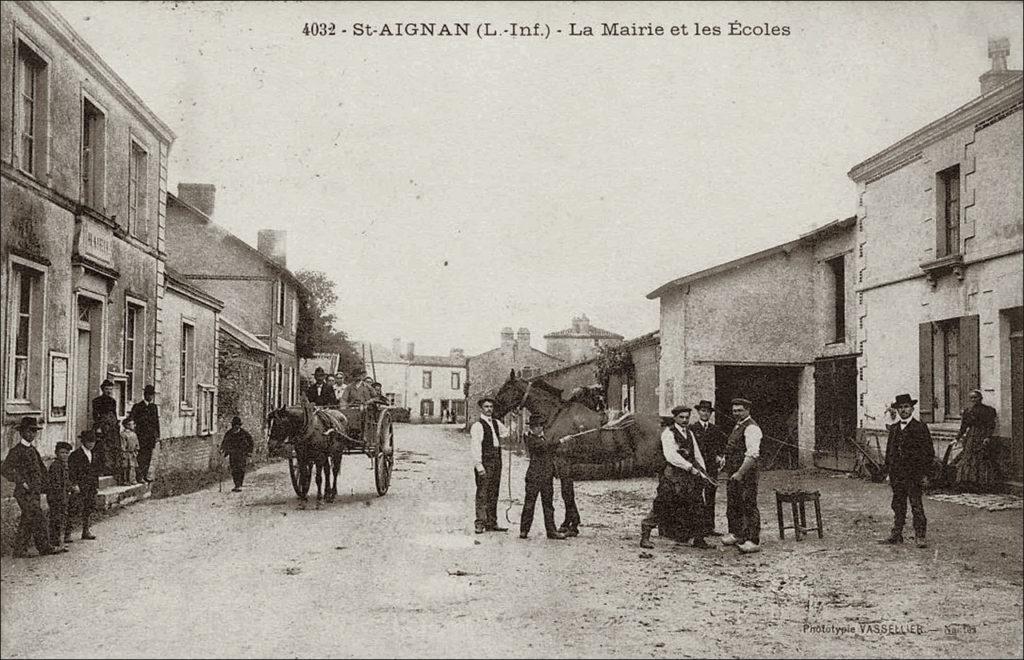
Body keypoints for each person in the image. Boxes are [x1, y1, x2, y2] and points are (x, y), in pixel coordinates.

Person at [640, 406, 713, 550]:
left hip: (689, 477)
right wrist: (689, 467)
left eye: (687, 417)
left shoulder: (690, 433)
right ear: (675, 418)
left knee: (697, 505)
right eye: (681, 417)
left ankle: (699, 539)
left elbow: (696, 455)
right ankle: (645, 537)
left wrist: (703, 473)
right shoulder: (668, 433)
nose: (685, 420)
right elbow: (671, 456)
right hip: (673, 476)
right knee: (662, 505)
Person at [879, 393, 934, 549]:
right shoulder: (895, 428)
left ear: (912, 409)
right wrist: (888, 471)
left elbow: (928, 453)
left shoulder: (920, 427)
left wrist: (924, 474)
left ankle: (920, 536)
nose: (903, 410)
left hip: (913, 475)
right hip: (897, 475)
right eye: (900, 407)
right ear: (897, 410)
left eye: (906, 407)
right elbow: (890, 451)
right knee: (898, 504)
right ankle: (896, 534)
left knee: (916, 505)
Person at [1, 416, 56, 557]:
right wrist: (21, 481)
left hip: (34, 492)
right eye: (29, 431)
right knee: (38, 517)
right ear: (22, 432)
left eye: (34, 431)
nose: (32, 434)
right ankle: (44, 548)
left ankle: (20, 550)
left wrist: (47, 485)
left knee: (28, 519)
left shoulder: (33, 450)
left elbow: (41, 470)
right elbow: (5, 469)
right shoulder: (16, 450)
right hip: (24, 492)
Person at [720, 398, 763, 554]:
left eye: (739, 410)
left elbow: (752, 454)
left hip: (746, 473)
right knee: (734, 503)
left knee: (748, 503)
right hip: (733, 472)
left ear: (747, 410)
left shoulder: (752, 428)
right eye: (734, 410)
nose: (736, 413)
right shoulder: (737, 426)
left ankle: (753, 540)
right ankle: (737, 534)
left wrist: (740, 473)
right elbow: (732, 448)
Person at [520, 414, 568, 540]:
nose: (538, 428)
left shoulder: (543, 438)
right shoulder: (530, 438)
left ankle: (551, 531)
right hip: (534, 477)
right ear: (531, 428)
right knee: (529, 504)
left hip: (546, 477)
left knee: (548, 505)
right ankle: (524, 530)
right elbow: (544, 447)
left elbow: (549, 449)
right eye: (535, 426)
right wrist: (561, 441)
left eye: (540, 425)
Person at [470, 397, 508, 534]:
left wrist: (513, 418)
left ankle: (491, 522)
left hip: (497, 461)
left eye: (491, 407)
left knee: (494, 492)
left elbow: (505, 433)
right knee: (482, 492)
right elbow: (475, 447)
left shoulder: (496, 423)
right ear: (482, 408)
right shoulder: (477, 426)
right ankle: (480, 522)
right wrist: (479, 465)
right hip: (485, 462)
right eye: (486, 407)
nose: (489, 409)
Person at [690, 400, 727, 536]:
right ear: (699, 412)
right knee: (697, 496)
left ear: (711, 414)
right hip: (698, 468)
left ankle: (709, 527)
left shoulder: (715, 429)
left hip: (711, 468)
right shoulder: (692, 429)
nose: (705, 413)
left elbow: (723, 444)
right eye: (703, 411)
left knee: (710, 497)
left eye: (708, 411)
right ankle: (697, 528)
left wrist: (720, 456)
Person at [954, 390, 999, 492]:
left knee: (982, 458)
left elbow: (991, 425)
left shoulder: (988, 410)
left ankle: (982, 483)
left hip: (982, 436)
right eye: (971, 398)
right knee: (968, 458)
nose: (973, 400)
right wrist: (957, 438)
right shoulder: (968, 411)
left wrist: (987, 437)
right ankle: (969, 483)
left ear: (981, 398)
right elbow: (963, 427)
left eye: (975, 397)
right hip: (971, 437)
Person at [69, 429, 103, 540]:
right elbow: (72, 471)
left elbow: (96, 470)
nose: (91, 444)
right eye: (89, 441)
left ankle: (86, 530)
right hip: (80, 486)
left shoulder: (95, 454)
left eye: (93, 442)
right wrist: (74, 484)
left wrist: (96, 485)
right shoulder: (75, 455)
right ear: (83, 441)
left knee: (89, 507)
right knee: (74, 508)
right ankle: (67, 533)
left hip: (91, 486)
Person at [47, 441, 74, 552]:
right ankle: (55, 543)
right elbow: (56, 484)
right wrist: (61, 496)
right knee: (56, 519)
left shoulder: (64, 465)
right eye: (62, 452)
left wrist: (71, 487)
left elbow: (66, 482)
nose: (64, 455)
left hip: (62, 496)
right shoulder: (55, 466)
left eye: (67, 453)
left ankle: (58, 541)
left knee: (60, 519)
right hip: (56, 497)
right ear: (56, 453)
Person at [130, 384, 160, 483]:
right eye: (149, 395)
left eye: (152, 395)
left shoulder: (154, 407)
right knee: (140, 457)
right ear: (145, 395)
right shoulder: (138, 407)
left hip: (150, 437)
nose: (151, 397)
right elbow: (133, 420)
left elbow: (156, 422)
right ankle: (139, 476)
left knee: (148, 457)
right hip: (141, 436)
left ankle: (145, 475)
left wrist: (157, 435)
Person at [92, 379, 120, 475]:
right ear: (102, 389)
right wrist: (98, 427)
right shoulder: (96, 401)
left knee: (112, 447)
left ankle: (110, 468)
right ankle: (101, 469)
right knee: (101, 448)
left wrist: (116, 424)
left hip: (111, 428)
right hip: (102, 427)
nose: (109, 391)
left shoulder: (113, 401)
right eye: (107, 389)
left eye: (110, 389)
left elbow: (114, 414)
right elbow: (95, 416)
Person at [220, 416, 254, 492]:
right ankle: (236, 484)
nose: (236, 426)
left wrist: (249, 452)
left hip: (242, 454)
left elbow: (251, 442)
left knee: (241, 469)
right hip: (233, 454)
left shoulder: (244, 433)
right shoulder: (229, 433)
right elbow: (225, 442)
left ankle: (239, 484)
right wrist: (223, 450)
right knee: (234, 469)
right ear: (233, 425)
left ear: (239, 425)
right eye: (235, 425)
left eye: (238, 425)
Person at [118, 417, 140, 486]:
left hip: (132, 453)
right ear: (127, 425)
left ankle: (132, 479)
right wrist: (123, 452)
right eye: (132, 424)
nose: (134, 425)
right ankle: (125, 480)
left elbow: (137, 444)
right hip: (126, 453)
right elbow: (123, 445)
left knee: (132, 466)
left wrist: (136, 451)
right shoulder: (123, 434)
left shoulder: (134, 434)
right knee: (125, 467)